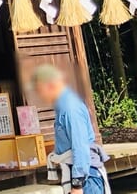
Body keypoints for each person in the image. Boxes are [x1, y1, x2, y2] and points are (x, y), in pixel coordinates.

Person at [31, 64, 107, 194]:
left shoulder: (70, 107)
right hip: (79, 173)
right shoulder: (63, 105)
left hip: (87, 178)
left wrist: (77, 184)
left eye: (39, 90)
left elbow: (80, 146)